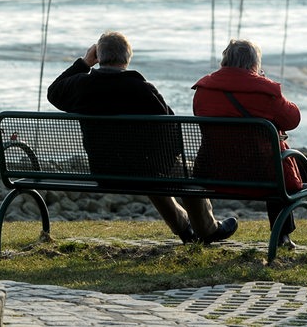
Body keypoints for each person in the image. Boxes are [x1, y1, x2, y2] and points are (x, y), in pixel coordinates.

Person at [47, 31, 238, 244]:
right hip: (144, 171)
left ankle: (184, 229)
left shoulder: (82, 87)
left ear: (98, 56)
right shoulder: (142, 89)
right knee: (184, 174)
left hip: (104, 171)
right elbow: (171, 128)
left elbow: (53, 92)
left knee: (153, 171)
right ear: (128, 57)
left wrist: (84, 63)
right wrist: (165, 161)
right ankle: (208, 229)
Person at [192, 39, 307, 249]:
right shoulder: (264, 91)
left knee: (273, 157)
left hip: (213, 171)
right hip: (262, 174)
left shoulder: (203, 90)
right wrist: (264, 84)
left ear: (225, 61)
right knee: (276, 164)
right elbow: (293, 119)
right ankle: (286, 230)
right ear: (255, 64)